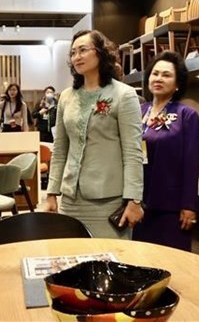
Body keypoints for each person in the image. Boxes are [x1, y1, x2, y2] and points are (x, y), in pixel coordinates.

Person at [45, 29, 144, 238]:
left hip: (108, 200)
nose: (76, 57)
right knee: (71, 260)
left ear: (100, 53)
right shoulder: (66, 97)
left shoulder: (123, 95)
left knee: (109, 261)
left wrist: (134, 200)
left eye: (83, 50)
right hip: (71, 199)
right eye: (73, 53)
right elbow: (60, 149)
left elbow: (133, 152)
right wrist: (52, 193)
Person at [132, 51, 199, 251]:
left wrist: (189, 205)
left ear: (178, 83)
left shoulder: (186, 115)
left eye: (166, 75)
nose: (159, 78)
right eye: (155, 73)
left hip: (171, 206)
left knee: (171, 264)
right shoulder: (138, 111)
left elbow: (191, 163)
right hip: (138, 203)